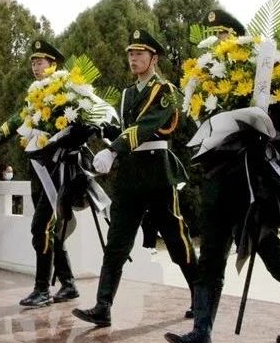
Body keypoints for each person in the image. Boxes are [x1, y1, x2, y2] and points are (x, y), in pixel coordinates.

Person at [163, 9, 280, 343]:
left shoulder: (259, 68)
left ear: (237, 37)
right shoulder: (206, 77)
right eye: (215, 35)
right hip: (220, 176)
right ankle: (201, 331)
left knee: (268, 249)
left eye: (224, 35)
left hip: (253, 177)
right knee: (211, 255)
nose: (219, 42)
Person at [72, 29, 198, 327]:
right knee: (117, 242)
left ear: (153, 58)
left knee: (176, 240)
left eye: (139, 53)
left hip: (156, 173)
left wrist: (114, 149)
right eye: (130, 53)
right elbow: (128, 130)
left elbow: (146, 127)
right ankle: (103, 307)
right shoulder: (128, 92)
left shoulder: (164, 90)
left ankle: (200, 295)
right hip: (131, 174)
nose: (133, 58)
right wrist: (103, 130)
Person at [0, 39, 80, 307]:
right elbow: (19, 118)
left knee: (41, 228)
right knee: (50, 229)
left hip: (56, 171)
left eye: (40, 62)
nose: (36, 67)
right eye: (33, 62)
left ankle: (42, 289)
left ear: (53, 65)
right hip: (38, 170)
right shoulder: (35, 94)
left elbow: (75, 126)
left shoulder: (66, 92)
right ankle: (68, 284)